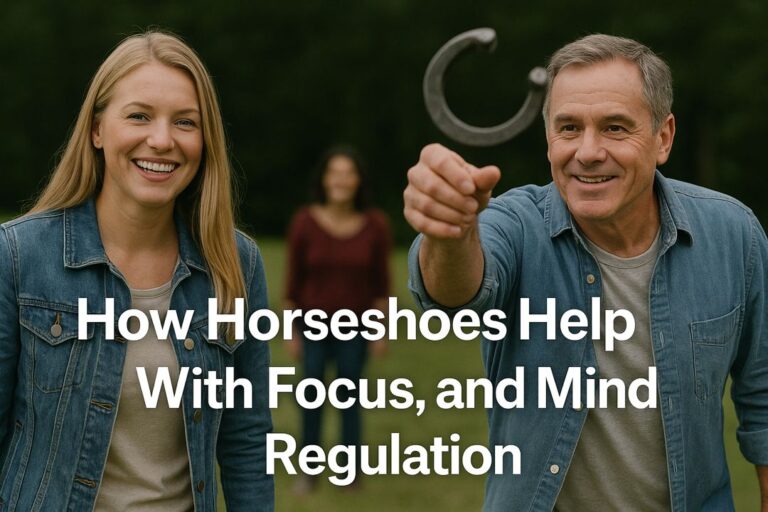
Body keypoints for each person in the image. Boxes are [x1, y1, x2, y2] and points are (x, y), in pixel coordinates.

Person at [404, 34, 768, 511]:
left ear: (662, 138)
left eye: (615, 128)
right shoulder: (516, 225)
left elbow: (763, 399)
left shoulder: (733, 235)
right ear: (548, 139)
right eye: (569, 128)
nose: (588, 151)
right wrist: (450, 235)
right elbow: (454, 296)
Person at [0, 31, 273, 511]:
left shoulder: (237, 263)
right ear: (97, 130)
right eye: (139, 116)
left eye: (185, 122)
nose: (162, 140)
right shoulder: (18, 256)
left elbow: (248, 441)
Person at [284, 146, 391, 492]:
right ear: (324, 180)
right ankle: (309, 472)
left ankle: (350, 472)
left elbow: (382, 286)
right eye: (335, 173)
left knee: (349, 400)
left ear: (359, 181)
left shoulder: (375, 225)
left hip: (355, 329)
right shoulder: (304, 222)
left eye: (349, 173)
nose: (341, 180)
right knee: (311, 399)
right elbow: (292, 285)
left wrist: (381, 331)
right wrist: (291, 332)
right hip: (312, 327)